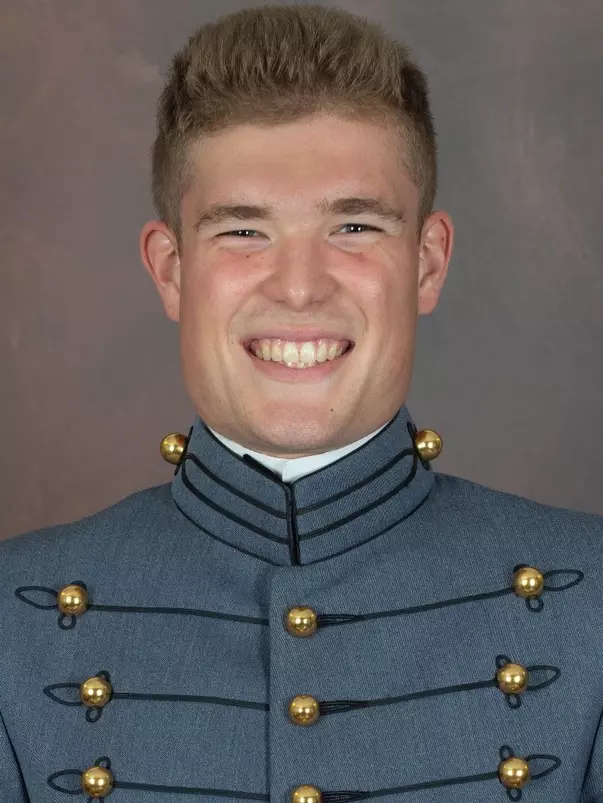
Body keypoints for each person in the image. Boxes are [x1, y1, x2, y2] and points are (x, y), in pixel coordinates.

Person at [1, 4, 601, 802]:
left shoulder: (589, 599)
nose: (298, 286)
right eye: (243, 232)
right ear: (170, 270)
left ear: (426, 264)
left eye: (353, 225)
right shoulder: (14, 619)